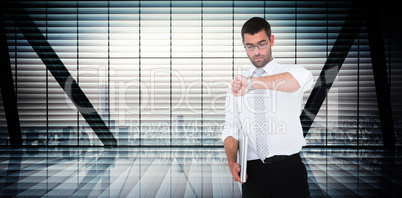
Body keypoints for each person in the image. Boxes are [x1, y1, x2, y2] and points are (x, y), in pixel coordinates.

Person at [222, 17, 313, 197]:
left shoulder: (293, 72)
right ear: (244, 46)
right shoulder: (235, 85)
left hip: (289, 170)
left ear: (271, 41)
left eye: (261, 44)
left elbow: (297, 82)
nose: (256, 51)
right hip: (253, 173)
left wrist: (252, 83)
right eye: (250, 46)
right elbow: (230, 129)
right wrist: (232, 161)